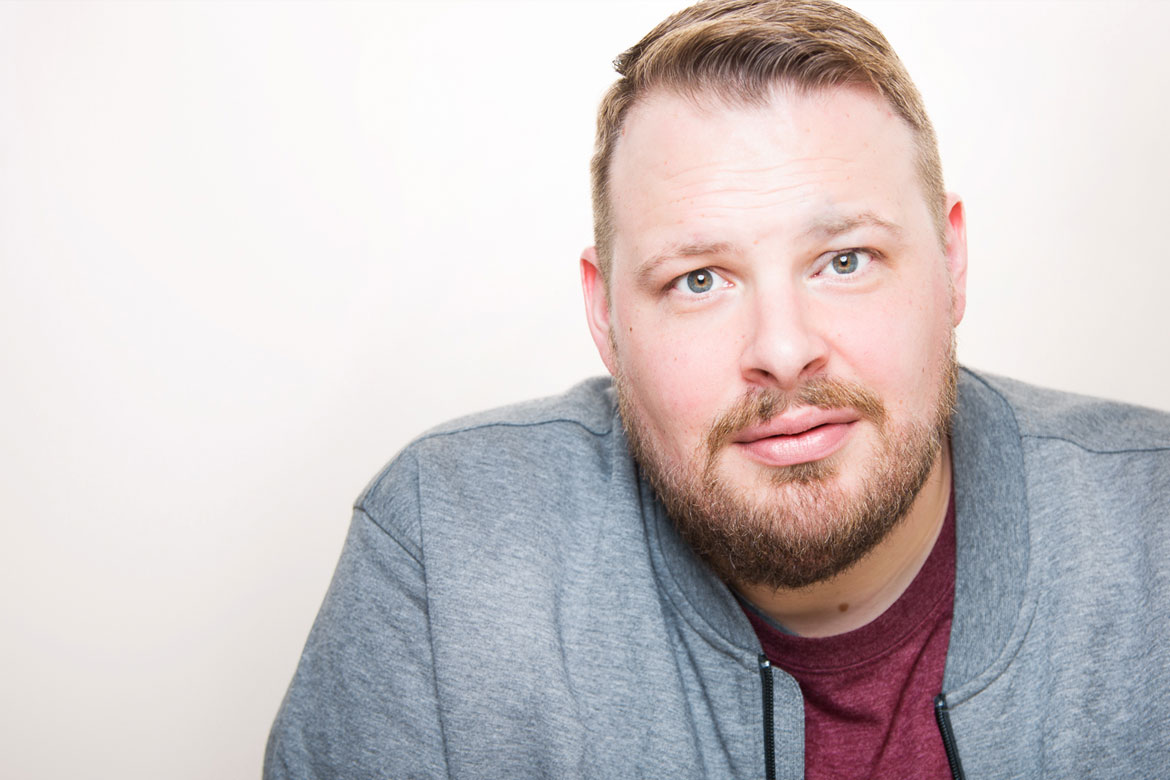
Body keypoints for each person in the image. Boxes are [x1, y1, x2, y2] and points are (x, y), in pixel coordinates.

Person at [264, 1, 1170, 777]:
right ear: (604, 315)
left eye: (844, 259)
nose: (782, 350)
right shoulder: (450, 552)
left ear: (953, 263)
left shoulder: (1150, 527)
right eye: (699, 279)